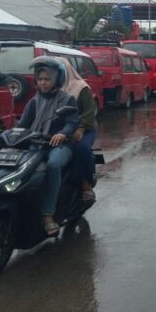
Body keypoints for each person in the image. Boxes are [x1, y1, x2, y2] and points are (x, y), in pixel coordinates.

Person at [20, 58, 79, 236]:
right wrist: (3, 134)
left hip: (61, 146)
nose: (43, 83)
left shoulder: (67, 100)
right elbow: (22, 125)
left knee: (53, 165)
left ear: (56, 79)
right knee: (19, 166)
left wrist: (62, 133)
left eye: (47, 79)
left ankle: (48, 215)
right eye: (40, 79)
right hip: (36, 145)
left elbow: (72, 123)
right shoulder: (34, 102)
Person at [58, 57, 97, 203]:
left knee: (80, 149)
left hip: (84, 128)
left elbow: (89, 113)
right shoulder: (49, 89)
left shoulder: (81, 88)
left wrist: (80, 129)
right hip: (59, 130)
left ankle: (86, 185)